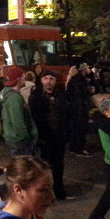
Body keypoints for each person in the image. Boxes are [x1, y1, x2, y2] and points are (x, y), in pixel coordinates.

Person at [28, 70, 74, 201]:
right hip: (44, 137)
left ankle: (59, 192)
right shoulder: (36, 96)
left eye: (51, 79)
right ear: (41, 80)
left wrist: (67, 132)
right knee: (44, 166)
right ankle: (44, 192)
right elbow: (33, 117)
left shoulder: (61, 95)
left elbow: (67, 115)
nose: (49, 81)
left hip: (59, 136)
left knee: (59, 166)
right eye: (46, 78)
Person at [0, 66, 37, 157]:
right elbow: (18, 121)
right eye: (23, 77)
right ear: (18, 79)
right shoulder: (14, 98)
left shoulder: (12, 95)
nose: (24, 79)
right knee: (22, 168)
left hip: (16, 139)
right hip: (20, 141)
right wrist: (26, 138)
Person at [66, 63, 93, 157]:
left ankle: (73, 147)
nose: (89, 69)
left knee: (74, 127)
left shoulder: (73, 79)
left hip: (74, 108)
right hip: (79, 108)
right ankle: (79, 149)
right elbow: (80, 95)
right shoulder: (80, 80)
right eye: (88, 67)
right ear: (84, 69)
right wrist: (89, 91)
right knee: (81, 128)